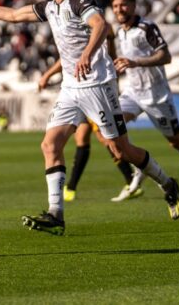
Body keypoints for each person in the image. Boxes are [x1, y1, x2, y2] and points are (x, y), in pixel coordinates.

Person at [0, 0, 179, 236]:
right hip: (71, 87)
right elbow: (14, 15)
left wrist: (86, 56)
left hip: (97, 85)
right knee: (49, 144)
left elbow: (100, 25)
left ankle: (168, 184)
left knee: (121, 150)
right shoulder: (51, 7)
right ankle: (56, 213)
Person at [110, 0, 179, 206]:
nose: (120, 9)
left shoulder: (146, 27)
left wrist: (136, 62)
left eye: (124, 4)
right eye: (116, 6)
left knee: (176, 141)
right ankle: (141, 167)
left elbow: (165, 56)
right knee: (112, 127)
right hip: (133, 93)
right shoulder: (120, 32)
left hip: (157, 96)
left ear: (133, 6)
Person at [38, 58, 143, 203]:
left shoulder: (93, 39)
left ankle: (133, 177)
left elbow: (71, 57)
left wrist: (47, 75)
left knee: (108, 140)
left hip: (92, 89)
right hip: (78, 89)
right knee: (81, 138)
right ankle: (71, 187)